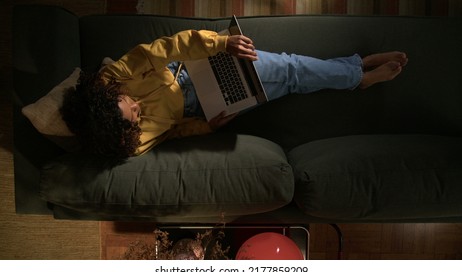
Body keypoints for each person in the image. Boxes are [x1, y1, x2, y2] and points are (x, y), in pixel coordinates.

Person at [61, 29, 408, 158]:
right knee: (290, 82)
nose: (137, 107)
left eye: (128, 101)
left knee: (288, 68)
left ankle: (356, 73)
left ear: (109, 95)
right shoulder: (130, 143)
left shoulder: (110, 78)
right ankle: (355, 72)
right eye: (135, 116)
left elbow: (162, 49)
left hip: (194, 69)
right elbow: (172, 133)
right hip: (205, 106)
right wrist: (209, 127)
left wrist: (220, 42)